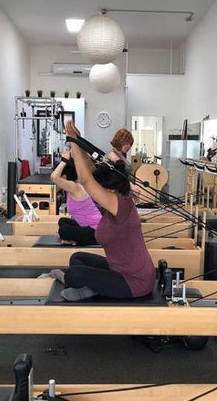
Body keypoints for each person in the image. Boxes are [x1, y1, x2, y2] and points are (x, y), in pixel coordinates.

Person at [57, 120, 156, 301]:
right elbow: (92, 175)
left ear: (110, 189)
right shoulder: (116, 201)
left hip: (135, 281)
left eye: (101, 189)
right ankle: (97, 287)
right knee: (77, 258)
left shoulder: (121, 205)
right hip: (118, 268)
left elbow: (87, 181)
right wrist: (78, 140)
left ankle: (94, 288)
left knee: (73, 275)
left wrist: (72, 141)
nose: (97, 192)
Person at [50, 149, 102, 246]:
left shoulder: (75, 187)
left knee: (63, 230)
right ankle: (73, 240)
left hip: (96, 232)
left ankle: (73, 240)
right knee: (63, 221)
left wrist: (64, 160)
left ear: (64, 176)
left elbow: (53, 177)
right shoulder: (75, 185)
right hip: (86, 226)